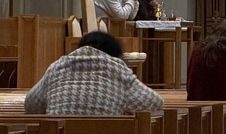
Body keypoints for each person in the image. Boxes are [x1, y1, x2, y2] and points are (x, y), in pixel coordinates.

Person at [24, 31, 163, 115]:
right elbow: (155, 103)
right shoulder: (117, 69)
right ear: (114, 54)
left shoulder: (56, 68)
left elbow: (30, 105)